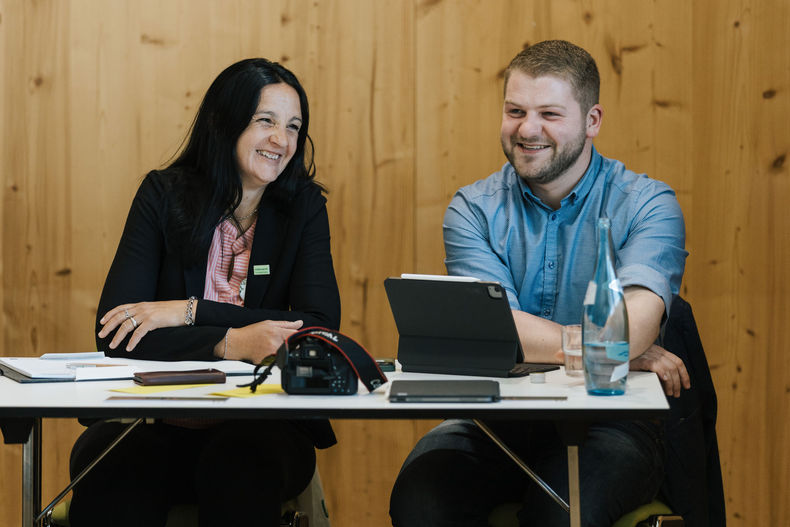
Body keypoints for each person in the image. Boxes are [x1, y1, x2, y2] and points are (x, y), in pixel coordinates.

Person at [389, 40, 691, 527]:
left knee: (558, 512)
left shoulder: (648, 205)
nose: (528, 129)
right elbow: (497, 331)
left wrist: (617, 345)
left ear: (592, 121)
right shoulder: (473, 209)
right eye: (515, 111)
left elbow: (621, 334)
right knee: (420, 501)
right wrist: (612, 350)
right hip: (496, 419)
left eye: (550, 113)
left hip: (610, 423)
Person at [69, 58, 341, 527]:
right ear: (224, 124)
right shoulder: (162, 194)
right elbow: (116, 333)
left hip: (262, 428)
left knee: (238, 466)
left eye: (294, 126)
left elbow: (315, 326)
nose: (283, 140)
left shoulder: (304, 208)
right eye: (265, 121)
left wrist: (186, 312)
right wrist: (229, 342)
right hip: (153, 420)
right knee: (115, 469)